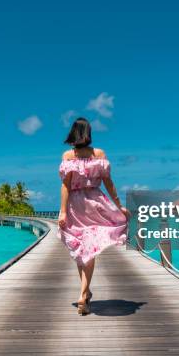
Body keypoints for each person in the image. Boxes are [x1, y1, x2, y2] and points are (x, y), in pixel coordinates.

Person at [57, 117, 129, 315]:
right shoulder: (99, 154)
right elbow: (108, 183)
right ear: (88, 133)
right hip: (95, 202)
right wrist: (119, 206)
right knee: (89, 250)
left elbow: (66, 186)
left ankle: (84, 293)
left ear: (73, 133)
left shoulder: (68, 156)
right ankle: (84, 293)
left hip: (75, 204)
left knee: (82, 250)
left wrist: (63, 211)